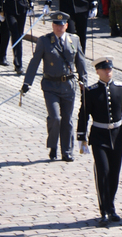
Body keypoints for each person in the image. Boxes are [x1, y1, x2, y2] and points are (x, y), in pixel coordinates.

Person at [77, 56, 122, 227]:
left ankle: (111, 206)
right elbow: (84, 114)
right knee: (103, 172)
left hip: (118, 135)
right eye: (104, 69)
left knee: (114, 174)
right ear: (97, 71)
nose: (108, 72)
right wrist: (81, 137)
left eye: (110, 69)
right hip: (99, 136)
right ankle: (104, 210)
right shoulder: (91, 91)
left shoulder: (121, 89)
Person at [21, 11, 88, 162]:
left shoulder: (74, 40)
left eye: (61, 25)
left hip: (68, 86)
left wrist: (84, 82)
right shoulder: (44, 41)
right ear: (53, 25)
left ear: (66, 25)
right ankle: (53, 145)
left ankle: (67, 151)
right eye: (56, 25)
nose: (59, 28)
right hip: (50, 85)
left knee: (68, 120)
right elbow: (35, 62)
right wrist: (27, 83)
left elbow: (81, 62)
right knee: (55, 118)